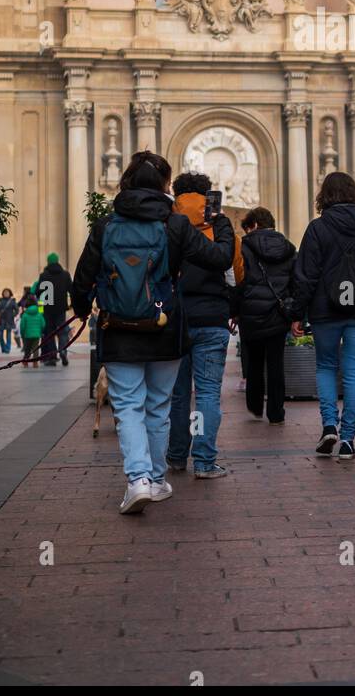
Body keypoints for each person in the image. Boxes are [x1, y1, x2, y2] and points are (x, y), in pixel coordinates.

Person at [72, 151, 236, 515]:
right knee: (158, 407)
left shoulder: (105, 225)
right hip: (165, 327)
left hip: (118, 327)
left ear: (126, 182)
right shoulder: (175, 225)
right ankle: (157, 479)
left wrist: (83, 310)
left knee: (128, 405)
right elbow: (220, 259)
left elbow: (82, 278)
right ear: (164, 186)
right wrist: (221, 224)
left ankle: (138, 480)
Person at [293, 171, 355, 460]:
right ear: (354, 194)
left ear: (325, 195)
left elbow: (305, 275)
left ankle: (329, 426)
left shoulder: (317, 228)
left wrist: (297, 312)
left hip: (325, 311)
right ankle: (348, 438)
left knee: (325, 366)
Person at [166, 172, 238, 481]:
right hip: (212, 317)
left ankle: (177, 456)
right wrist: (233, 306)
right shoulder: (219, 225)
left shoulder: (168, 223)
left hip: (176, 319)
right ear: (207, 195)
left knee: (178, 394)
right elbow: (236, 270)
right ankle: (205, 461)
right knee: (208, 393)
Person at [236, 206, 296, 425]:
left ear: (253, 225)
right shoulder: (288, 248)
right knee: (276, 363)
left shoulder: (244, 246)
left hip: (251, 312)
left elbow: (239, 280)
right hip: (278, 313)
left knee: (253, 361)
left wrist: (235, 309)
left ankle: (254, 405)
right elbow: (295, 281)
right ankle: (276, 412)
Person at [32, 254, 74, 366]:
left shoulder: (44, 275)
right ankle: (63, 350)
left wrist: (41, 309)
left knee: (49, 333)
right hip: (61, 309)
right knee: (62, 331)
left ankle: (52, 356)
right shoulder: (65, 275)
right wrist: (72, 304)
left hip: (47, 309)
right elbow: (72, 290)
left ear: (48, 262)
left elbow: (38, 293)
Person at [19, 293, 45, 367]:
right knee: (35, 348)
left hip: (27, 335)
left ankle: (26, 361)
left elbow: (22, 326)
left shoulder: (25, 315)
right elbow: (43, 324)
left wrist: (22, 334)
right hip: (37, 334)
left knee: (27, 348)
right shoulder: (39, 313)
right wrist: (40, 331)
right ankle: (35, 362)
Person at [0, 288, 18, 355]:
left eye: (7, 292)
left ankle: (7, 348)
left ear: (10, 293)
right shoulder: (0, 300)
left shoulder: (12, 301)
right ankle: (3, 348)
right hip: (1, 320)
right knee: (0, 335)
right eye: (4, 292)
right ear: (3, 293)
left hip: (9, 320)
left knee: (8, 335)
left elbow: (17, 310)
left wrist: (12, 315)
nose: (6, 293)